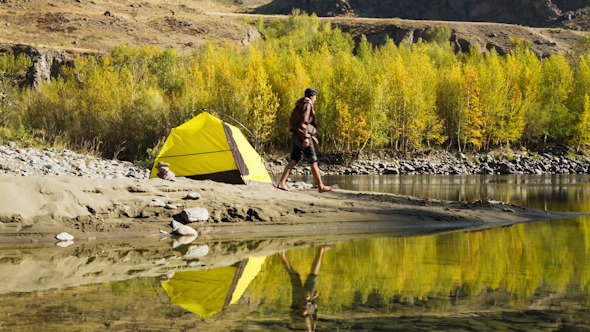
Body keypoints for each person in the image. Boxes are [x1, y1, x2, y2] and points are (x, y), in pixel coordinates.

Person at [277, 88, 332, 193]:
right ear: (312, 96)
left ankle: (281, 183)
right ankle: (321, 187)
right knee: (313, 161)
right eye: (315, 97)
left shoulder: (299, 104)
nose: (315, 99)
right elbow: (303, 122)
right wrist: (306, 137)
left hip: (295, 135)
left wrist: (311, 136)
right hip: (302, 136)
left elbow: (297, 123)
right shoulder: (307, 104)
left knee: (293, 160)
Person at [279, 246, 331, 332]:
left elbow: (300, 315)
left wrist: (306, 302)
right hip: (304, 301)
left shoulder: (302, 329)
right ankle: (282, 255)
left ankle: (282, 254)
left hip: (301, 301)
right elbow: (312, 320)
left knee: (303, 276)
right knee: (304, 275)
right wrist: (312, 301)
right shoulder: (306, 329)